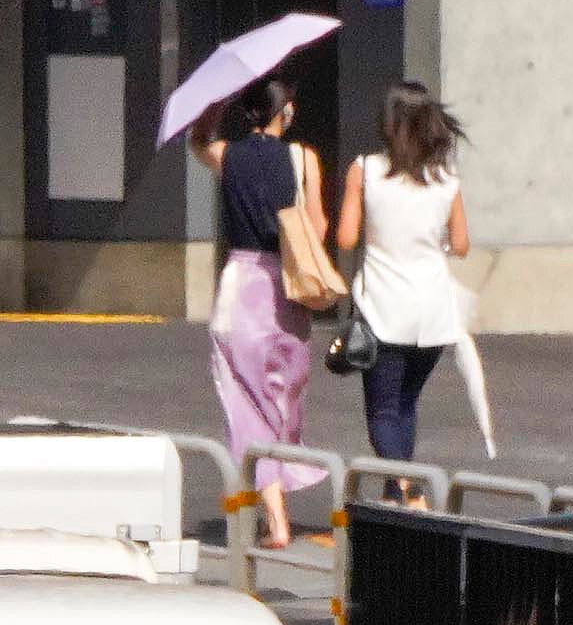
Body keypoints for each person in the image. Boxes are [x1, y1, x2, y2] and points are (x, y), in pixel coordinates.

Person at [192, 73, 331, 552]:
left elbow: (197, 140)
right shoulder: (304, 158)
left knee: (243, 398)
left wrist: (217, 102)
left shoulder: (227, 154)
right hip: (288, 287)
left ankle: (274, 518)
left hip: (241, 283)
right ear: (282, 112)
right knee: (282, 396)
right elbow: (317, 225)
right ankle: (272, 503)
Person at [339, 81, 476, 459]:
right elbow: (461, 245)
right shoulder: (446, 179)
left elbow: (347, 238)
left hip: (384, 307)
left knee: (383, 412)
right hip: (432, 312)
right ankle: (397, 498)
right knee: (405, 404)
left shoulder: (365, 170)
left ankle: (406, 489)